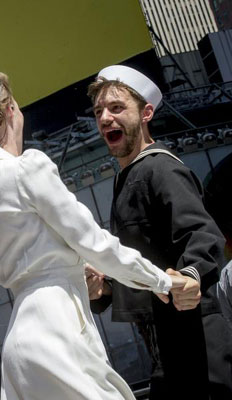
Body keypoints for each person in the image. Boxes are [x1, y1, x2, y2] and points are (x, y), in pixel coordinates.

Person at [0, 56, 188, 400]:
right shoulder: (26, 168)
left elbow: (33, 253)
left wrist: (74, 265)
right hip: (56, 332)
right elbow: (95, 243)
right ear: (9, 111)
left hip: (20, 342)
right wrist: (164, 281)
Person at [86, 65, 232, 399]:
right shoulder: (129, 178)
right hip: (164, 348)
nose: (105, 118)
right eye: (99, 112)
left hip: (196, 343)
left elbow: (203, 234)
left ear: (147, 112)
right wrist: (102, 289)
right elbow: (138, 259)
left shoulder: (160, 167)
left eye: (117, 108)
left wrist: (192, 274)